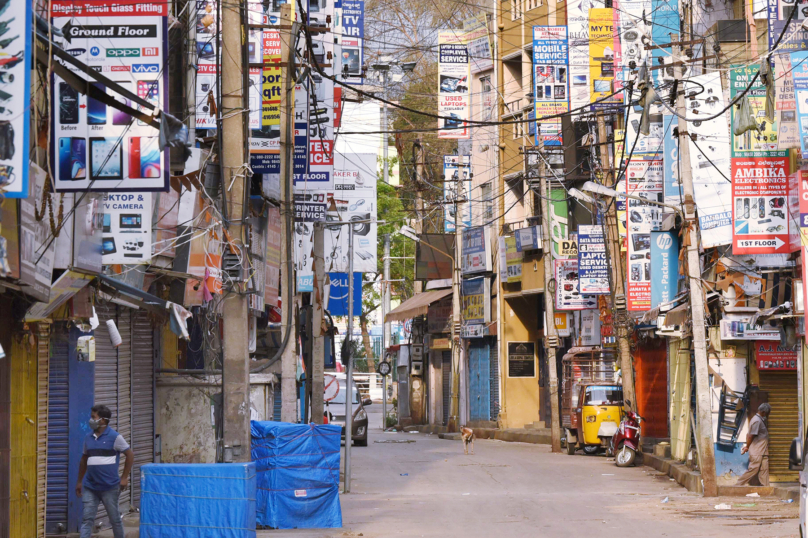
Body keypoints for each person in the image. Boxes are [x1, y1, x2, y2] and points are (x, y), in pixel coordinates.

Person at [75, 404, 134, 538]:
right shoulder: (88, 438)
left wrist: (124, 478)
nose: (90, 420)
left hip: (110, 487)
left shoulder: (115, 437)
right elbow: (84, 460)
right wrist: (79, 481)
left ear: (102, 420)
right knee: (87, 519)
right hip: (91, 486)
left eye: (93, 417)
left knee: (115, 520)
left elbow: (130, 455)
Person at [737, 402, 771, 487]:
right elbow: (750, 435)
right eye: (767, 413)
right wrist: (747, 447)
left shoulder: (760, 420)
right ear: (763, 412)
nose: (767, 415)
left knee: (764, 469)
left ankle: (765, 487)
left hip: (763, 450)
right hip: (757, 450)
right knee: (753, 469)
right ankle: (737, 485)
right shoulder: (757, 421)